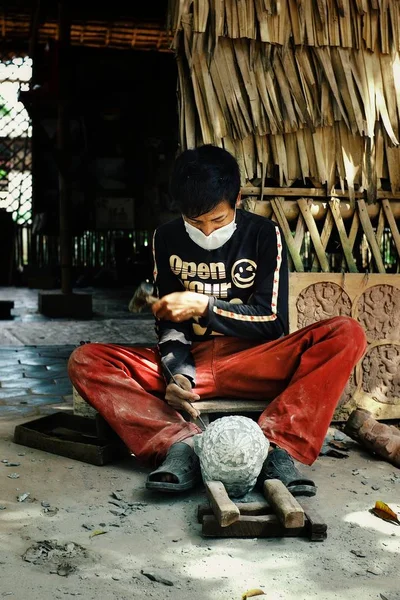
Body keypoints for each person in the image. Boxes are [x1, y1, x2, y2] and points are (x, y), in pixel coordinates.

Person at [68, 145, 367, 496]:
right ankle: (180, 444)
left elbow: (272, 322)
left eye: (218, 220)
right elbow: (169, 325)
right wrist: (177, 372)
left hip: (254, 362)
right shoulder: (165, 238)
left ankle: (276, 447)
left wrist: (202, 306)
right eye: (195, 223)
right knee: (85, 360)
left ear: (237, 200)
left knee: (347, 334)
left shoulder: (263, 234)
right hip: (194, 368)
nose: (207, 231)